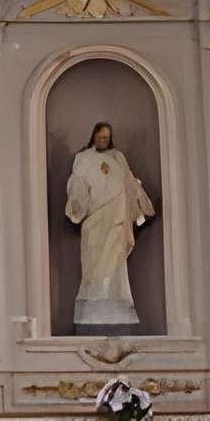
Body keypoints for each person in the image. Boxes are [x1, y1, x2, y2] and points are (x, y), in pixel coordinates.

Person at [63, 119, 156, 328]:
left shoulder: (118, 157)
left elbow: (130, 182)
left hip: (117, 217)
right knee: (94, 261)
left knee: (114, 263)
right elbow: (77, 183)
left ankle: (115, 301)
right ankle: (92, 305)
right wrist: (76, 204)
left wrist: (142, 205)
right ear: (93, 136)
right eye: (100, 137)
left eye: (107, 137)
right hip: (95, 218)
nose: (104, 140)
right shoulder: (83, 158)